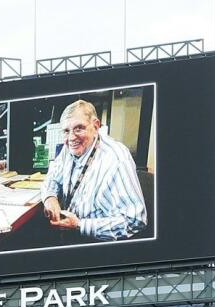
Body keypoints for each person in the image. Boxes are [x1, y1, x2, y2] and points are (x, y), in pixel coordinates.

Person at [40, 99, 147, 241]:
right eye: (66, 131)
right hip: (68, 235)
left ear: (96, 126)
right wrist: (50, 197)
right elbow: (53, 176)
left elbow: (135, 220)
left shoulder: (116, 159)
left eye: (79, 128)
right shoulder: (69, 148)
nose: (71, 137)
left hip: (98, 244)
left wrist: (80, 225)